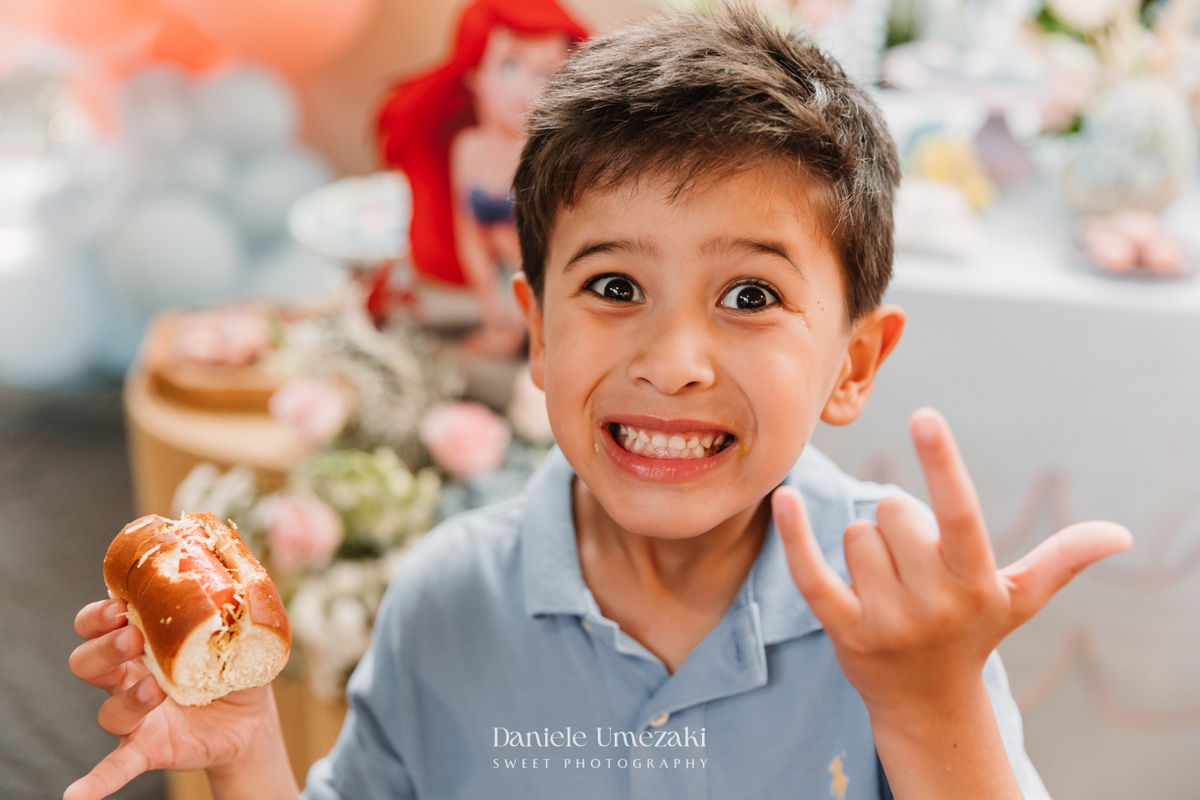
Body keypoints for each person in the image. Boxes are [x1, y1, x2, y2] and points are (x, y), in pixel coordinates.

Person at [66, 9, 1131, 800]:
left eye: (750, 294)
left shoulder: (906, 619)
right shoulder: (446, 596)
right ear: (536, 330)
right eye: (614, 286)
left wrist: (931, 703)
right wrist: (249, 747)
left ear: (854, 362)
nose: (672, 361)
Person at [376, 0, 587, 355]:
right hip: (498, 286)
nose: (525, 88)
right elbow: (470, 238)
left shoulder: (549, 153)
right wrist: (494, 313)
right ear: (474, 74)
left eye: (545, 73)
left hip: (553, 286)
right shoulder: (468, 149)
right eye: (510, 65)